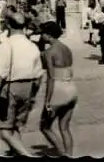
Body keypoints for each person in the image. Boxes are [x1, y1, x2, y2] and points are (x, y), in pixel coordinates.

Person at [0, 11, 43, 157]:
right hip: (28, 88)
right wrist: (33, 95)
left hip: (9, 89)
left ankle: (27, 155)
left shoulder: (6, 46)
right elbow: (39, 75)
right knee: (15, 127)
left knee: (4, 130)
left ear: (8, 25)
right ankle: (17, 153)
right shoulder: (32, 46)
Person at [39, 22, 77, 156]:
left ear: (48, 35)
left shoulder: (49, 52)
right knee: (65, 128)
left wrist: (47, 101)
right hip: (71, 88)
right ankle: (70, 155)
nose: (41, 36)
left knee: (45, 127)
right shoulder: (66, 48)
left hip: (59, 90)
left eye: (42, 33)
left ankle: (63, 153)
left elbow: (51, 77)